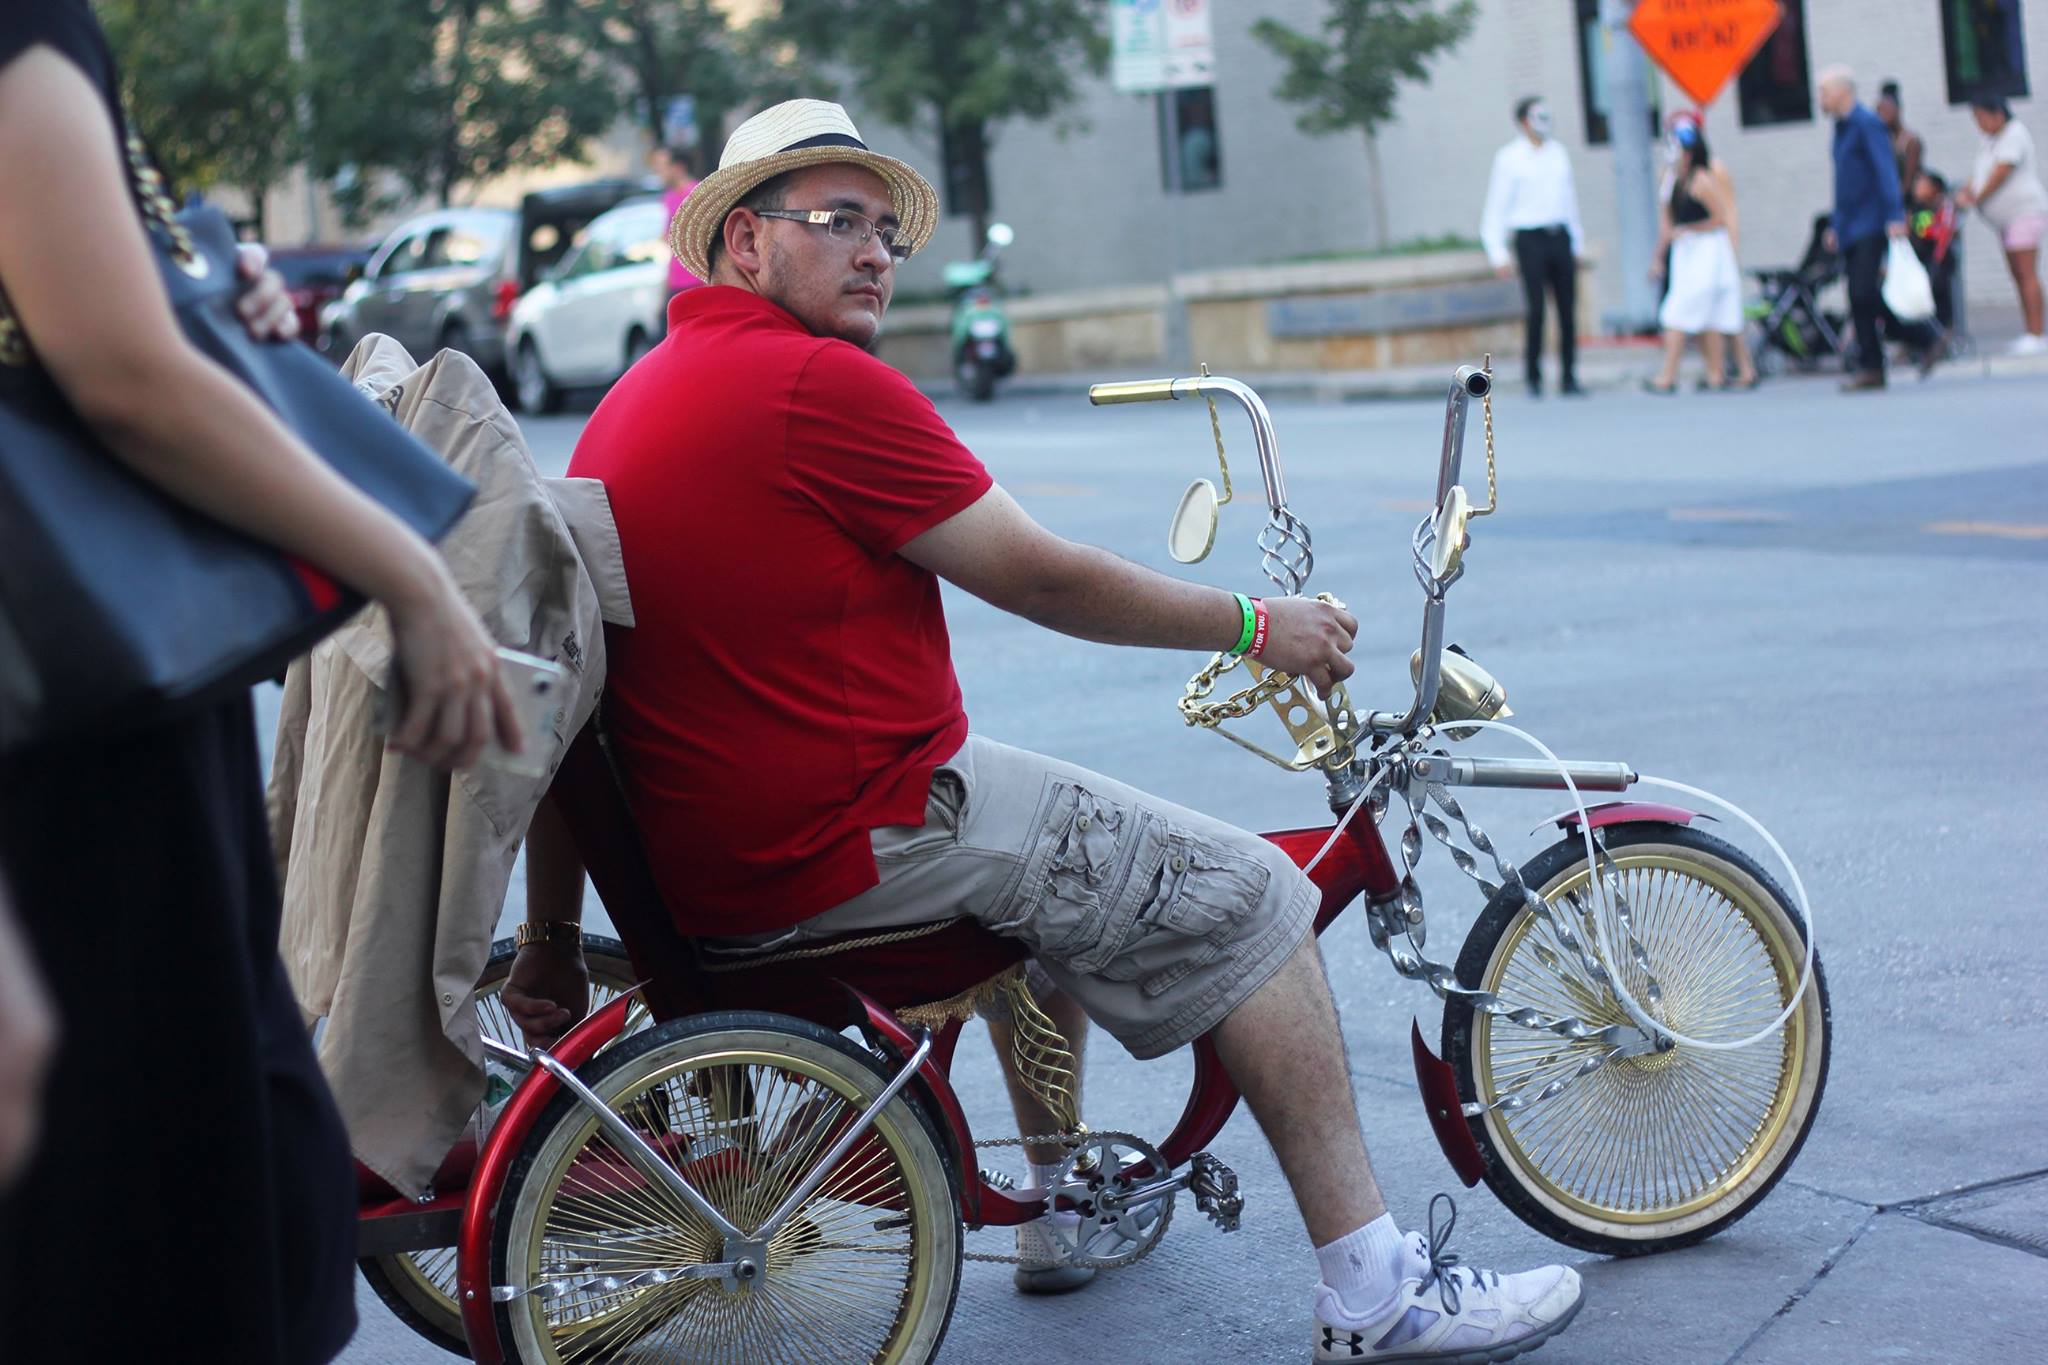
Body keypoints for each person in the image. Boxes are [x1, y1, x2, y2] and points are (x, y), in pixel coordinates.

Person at [541, 97, 1584, 1363]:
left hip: (736, 845)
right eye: (836, 223)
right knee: (1255, 894)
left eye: (885, 230)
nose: (874, 251)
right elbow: (1040, 578)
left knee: (1049, 856)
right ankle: (1373, 1287)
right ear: (745, 247)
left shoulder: (650, 390)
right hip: (857, 836)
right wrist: (1256, 625)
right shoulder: (811, 386)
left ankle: (1053, 1206)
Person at [0, 4, 523, 1361]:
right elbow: (120, 370)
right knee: (154, 1215)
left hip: (81, 697)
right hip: (71, 729)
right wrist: (411, 573)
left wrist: (187, 284)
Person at [1480, 95, 1587, 397]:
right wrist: (1497, 252)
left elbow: (1570, 201)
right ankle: (1534, 377)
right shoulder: (1509, 158)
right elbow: (1496, 207)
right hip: (1530, 238)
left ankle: (1569, 376)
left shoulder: (1559, 154)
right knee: (1536, 309)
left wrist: (1576, 242)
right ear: (1523, 122)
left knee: (1567, 309)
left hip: (1559, 236)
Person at [1645, 114, 1756, 393]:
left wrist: (1727, 244)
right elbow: (1666, 223)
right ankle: (1721, 372)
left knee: (1686, 312)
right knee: (1713, 314)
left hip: (1707, 252)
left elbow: (1723, 215)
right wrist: (1659, 257)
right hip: (1686, 254)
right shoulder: (1670, 180)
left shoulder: (1704, 178)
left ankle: (1669, 375)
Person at [1818, 65, 1909, 392]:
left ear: (1842, 92)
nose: (1821, 98)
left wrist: (1894, 215)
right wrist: (1836, 224)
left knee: (1862, 292)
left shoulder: (1867, 124)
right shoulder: (1841, 128)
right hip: (1851, 225)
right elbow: (1844, 184)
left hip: (1871, 222)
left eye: (1824, 91)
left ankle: (1894, 351)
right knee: (1860, 296)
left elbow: (1885, 171)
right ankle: (1876, 364)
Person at [1955, 95, 2048, 356]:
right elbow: (1979, 175)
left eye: (1981, 118)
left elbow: (2000, 173)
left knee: (2026, 273)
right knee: (2017, 274)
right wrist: (1964, 193)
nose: (1979, 124)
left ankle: (2037, 333)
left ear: (1996, 114)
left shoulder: (2014, 134)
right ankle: (2031, 330)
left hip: (2024, 213)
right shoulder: (1990, 141)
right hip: (2007, 220)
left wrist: (1975, 199)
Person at [653, 142, 704, 305]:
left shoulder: (697, 193)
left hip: (697, 280)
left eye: (663, 166)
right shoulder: (668, 197)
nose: (659, 172)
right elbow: (667, 237)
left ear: (678, 167)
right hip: (675, 281)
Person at [1876, 81, 1925, 198]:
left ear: (1897, 110)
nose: (1882, 116)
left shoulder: (1910, 141)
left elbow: (1908, 184)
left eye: (1887, 111)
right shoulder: (1881, 141)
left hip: (1907, 201)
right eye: (1880, 111)